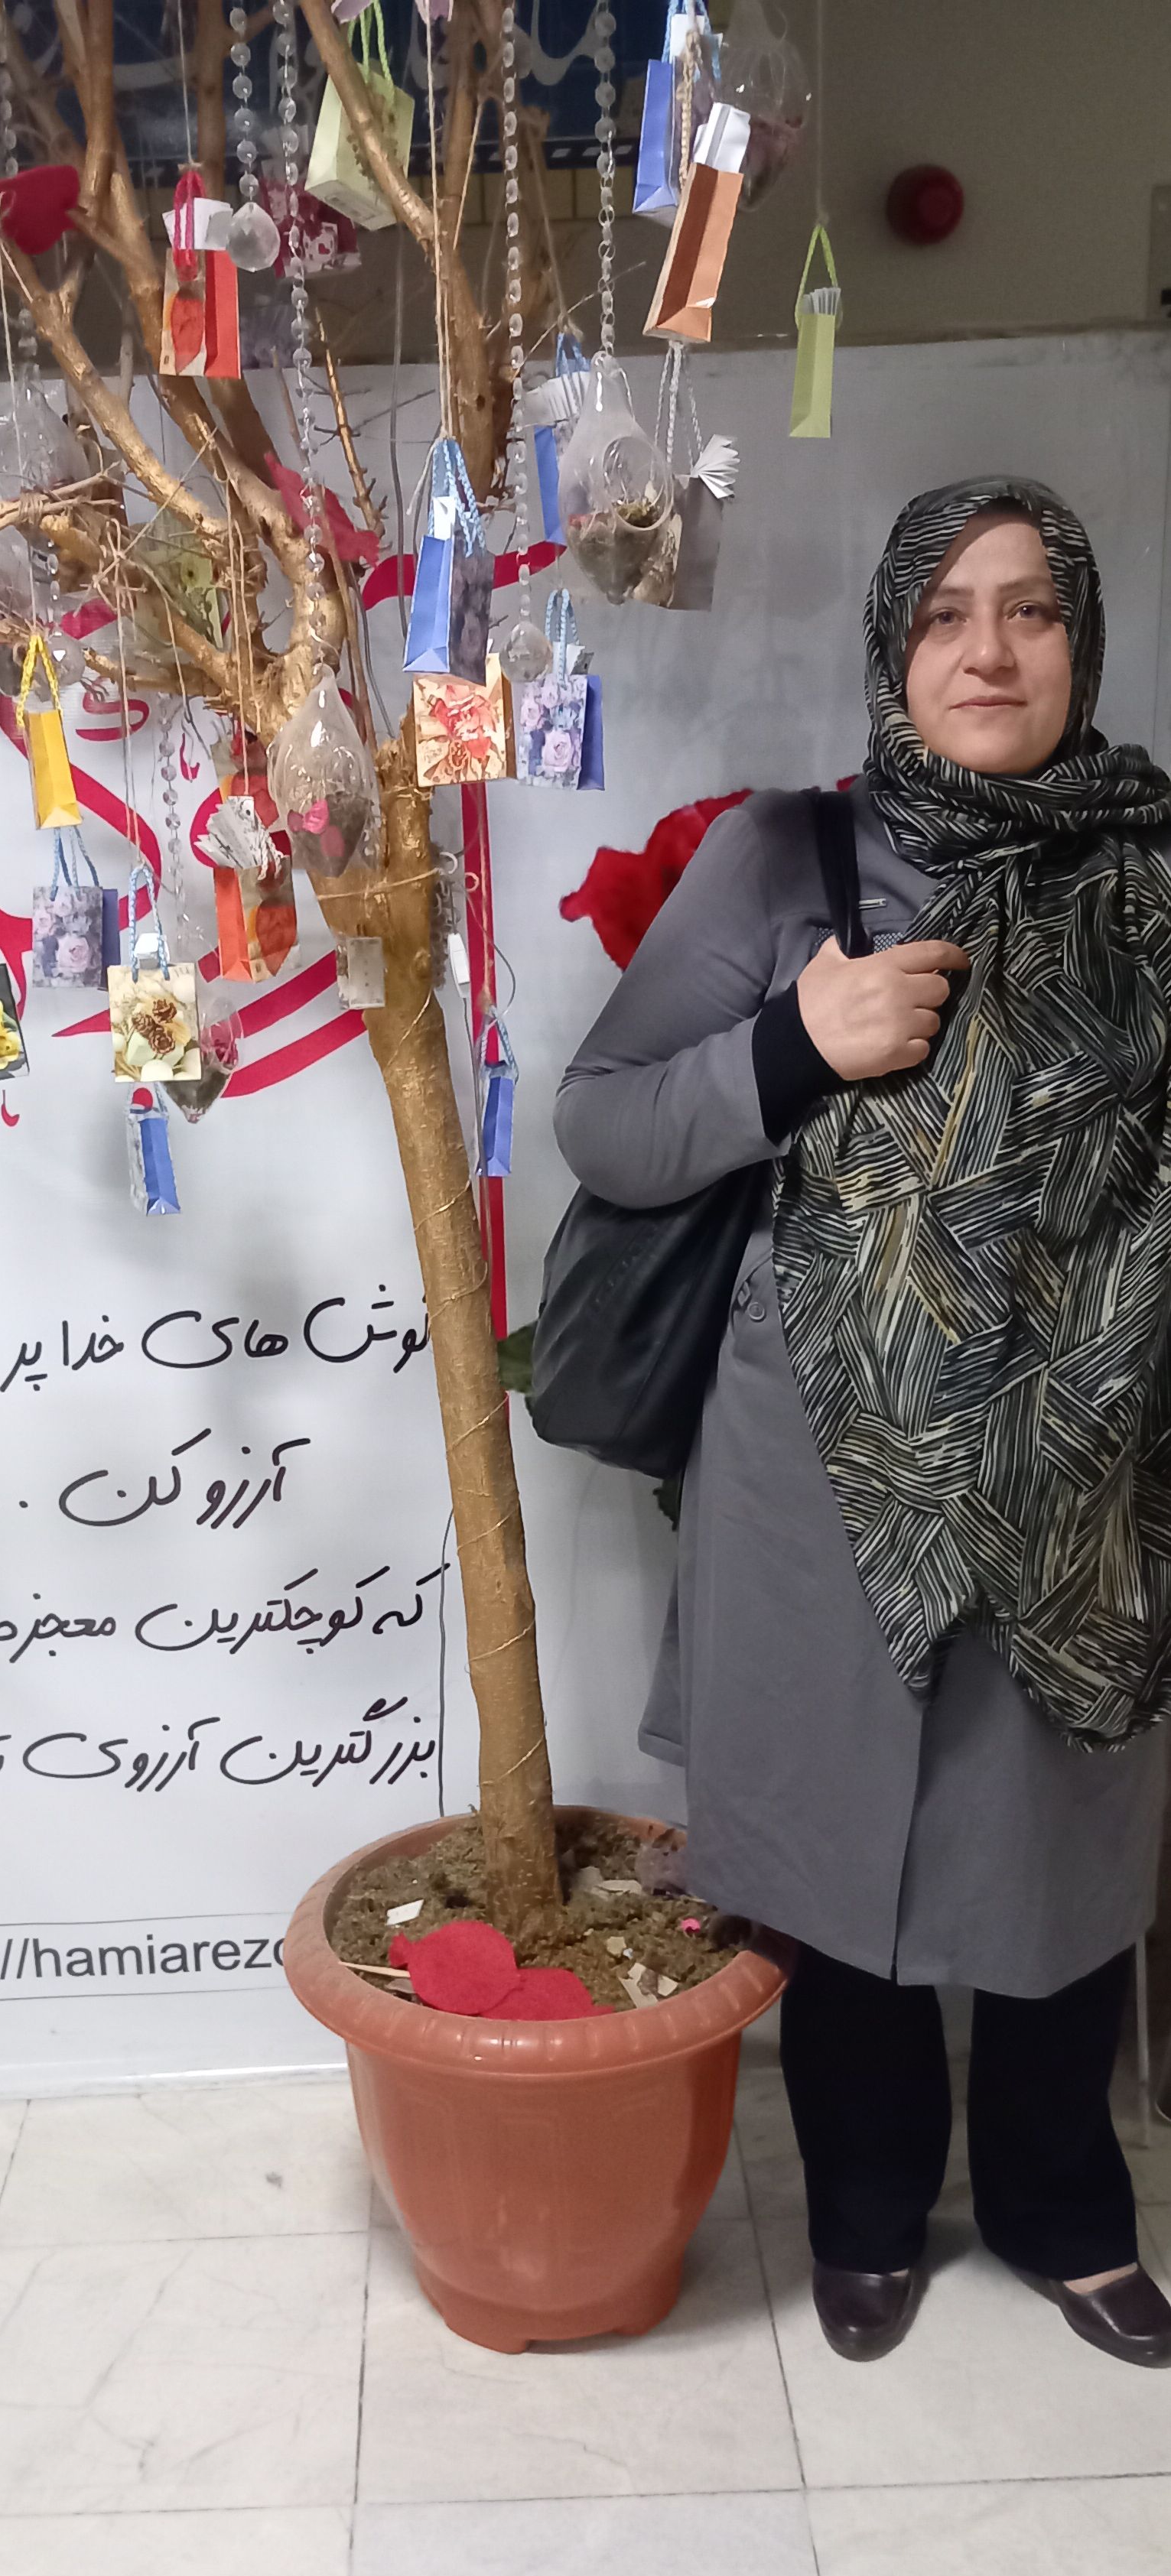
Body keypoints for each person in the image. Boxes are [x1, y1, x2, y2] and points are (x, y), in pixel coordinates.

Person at [556, 475, 1171, 2369]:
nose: (990, 652)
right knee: (840, 1858)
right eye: (946, 615)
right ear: (894, 648)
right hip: (827, 1473)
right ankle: (870, 2210)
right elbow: (604, 1121)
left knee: (1064, 1858)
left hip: (1088, 1480)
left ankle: (1064, 2209)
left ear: (1081, 639)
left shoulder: (1155, 871)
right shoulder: (790, 858)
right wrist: (791, 1048)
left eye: (1031, 610)